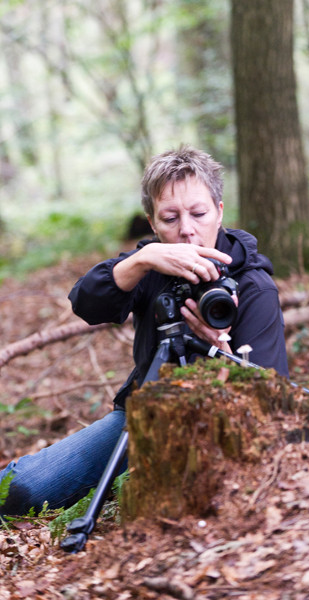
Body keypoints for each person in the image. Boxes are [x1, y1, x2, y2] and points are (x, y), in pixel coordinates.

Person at [0, 145, 289, 516]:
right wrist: (138, 262)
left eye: (198, 213)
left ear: (218, 212)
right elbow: (86, 304)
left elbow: (270, 405)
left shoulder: (254, 287)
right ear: (152, 223)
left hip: (218, 428)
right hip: (140, 419)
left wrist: (222, 355)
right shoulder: (152, 263)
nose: (187, 230)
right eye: (170, 218)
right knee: (20, 490)